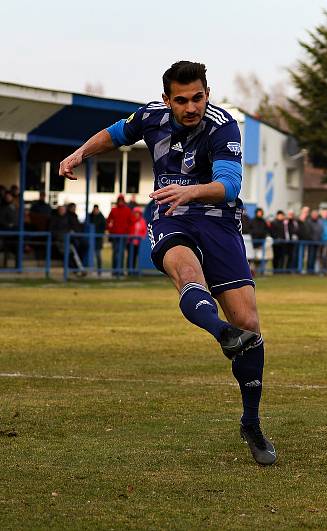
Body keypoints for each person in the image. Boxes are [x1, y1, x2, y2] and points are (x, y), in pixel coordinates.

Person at [58, 61, 275, 466]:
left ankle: (251, 421)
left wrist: (190, 191)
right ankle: (221, 333)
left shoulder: (224, 126)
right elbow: (115, 133)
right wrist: (80, 153)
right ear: (166, 100)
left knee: (250, 325)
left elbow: (229, 185)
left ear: (207, 93)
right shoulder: (151, 117)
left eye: (198, 97)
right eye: (182, 100)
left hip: (219, 223)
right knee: (187, 273)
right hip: (170, 217)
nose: (191, 107)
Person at [107, 194, 133, 275]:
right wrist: (111, 230)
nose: (120, 202)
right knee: (115, 253)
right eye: (119, 200)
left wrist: (128, 232)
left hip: (124, 236)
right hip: (115, 236)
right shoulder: (114, 210)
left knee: (121, 253)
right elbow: (108, 221)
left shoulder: (127, 210)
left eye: (122, 200)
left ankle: (120, 271)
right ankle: (114, 270)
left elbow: (131, 222)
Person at [87, 204, 106, 272]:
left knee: (98, 255)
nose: (95, 211)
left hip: (98, 239)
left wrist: (99, 234)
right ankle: (89, 269)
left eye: (96, 209)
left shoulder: (101, 217)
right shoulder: (90, 216)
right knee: (89, 254)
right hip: (90, 239)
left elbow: (103, 227)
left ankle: (99, 269)